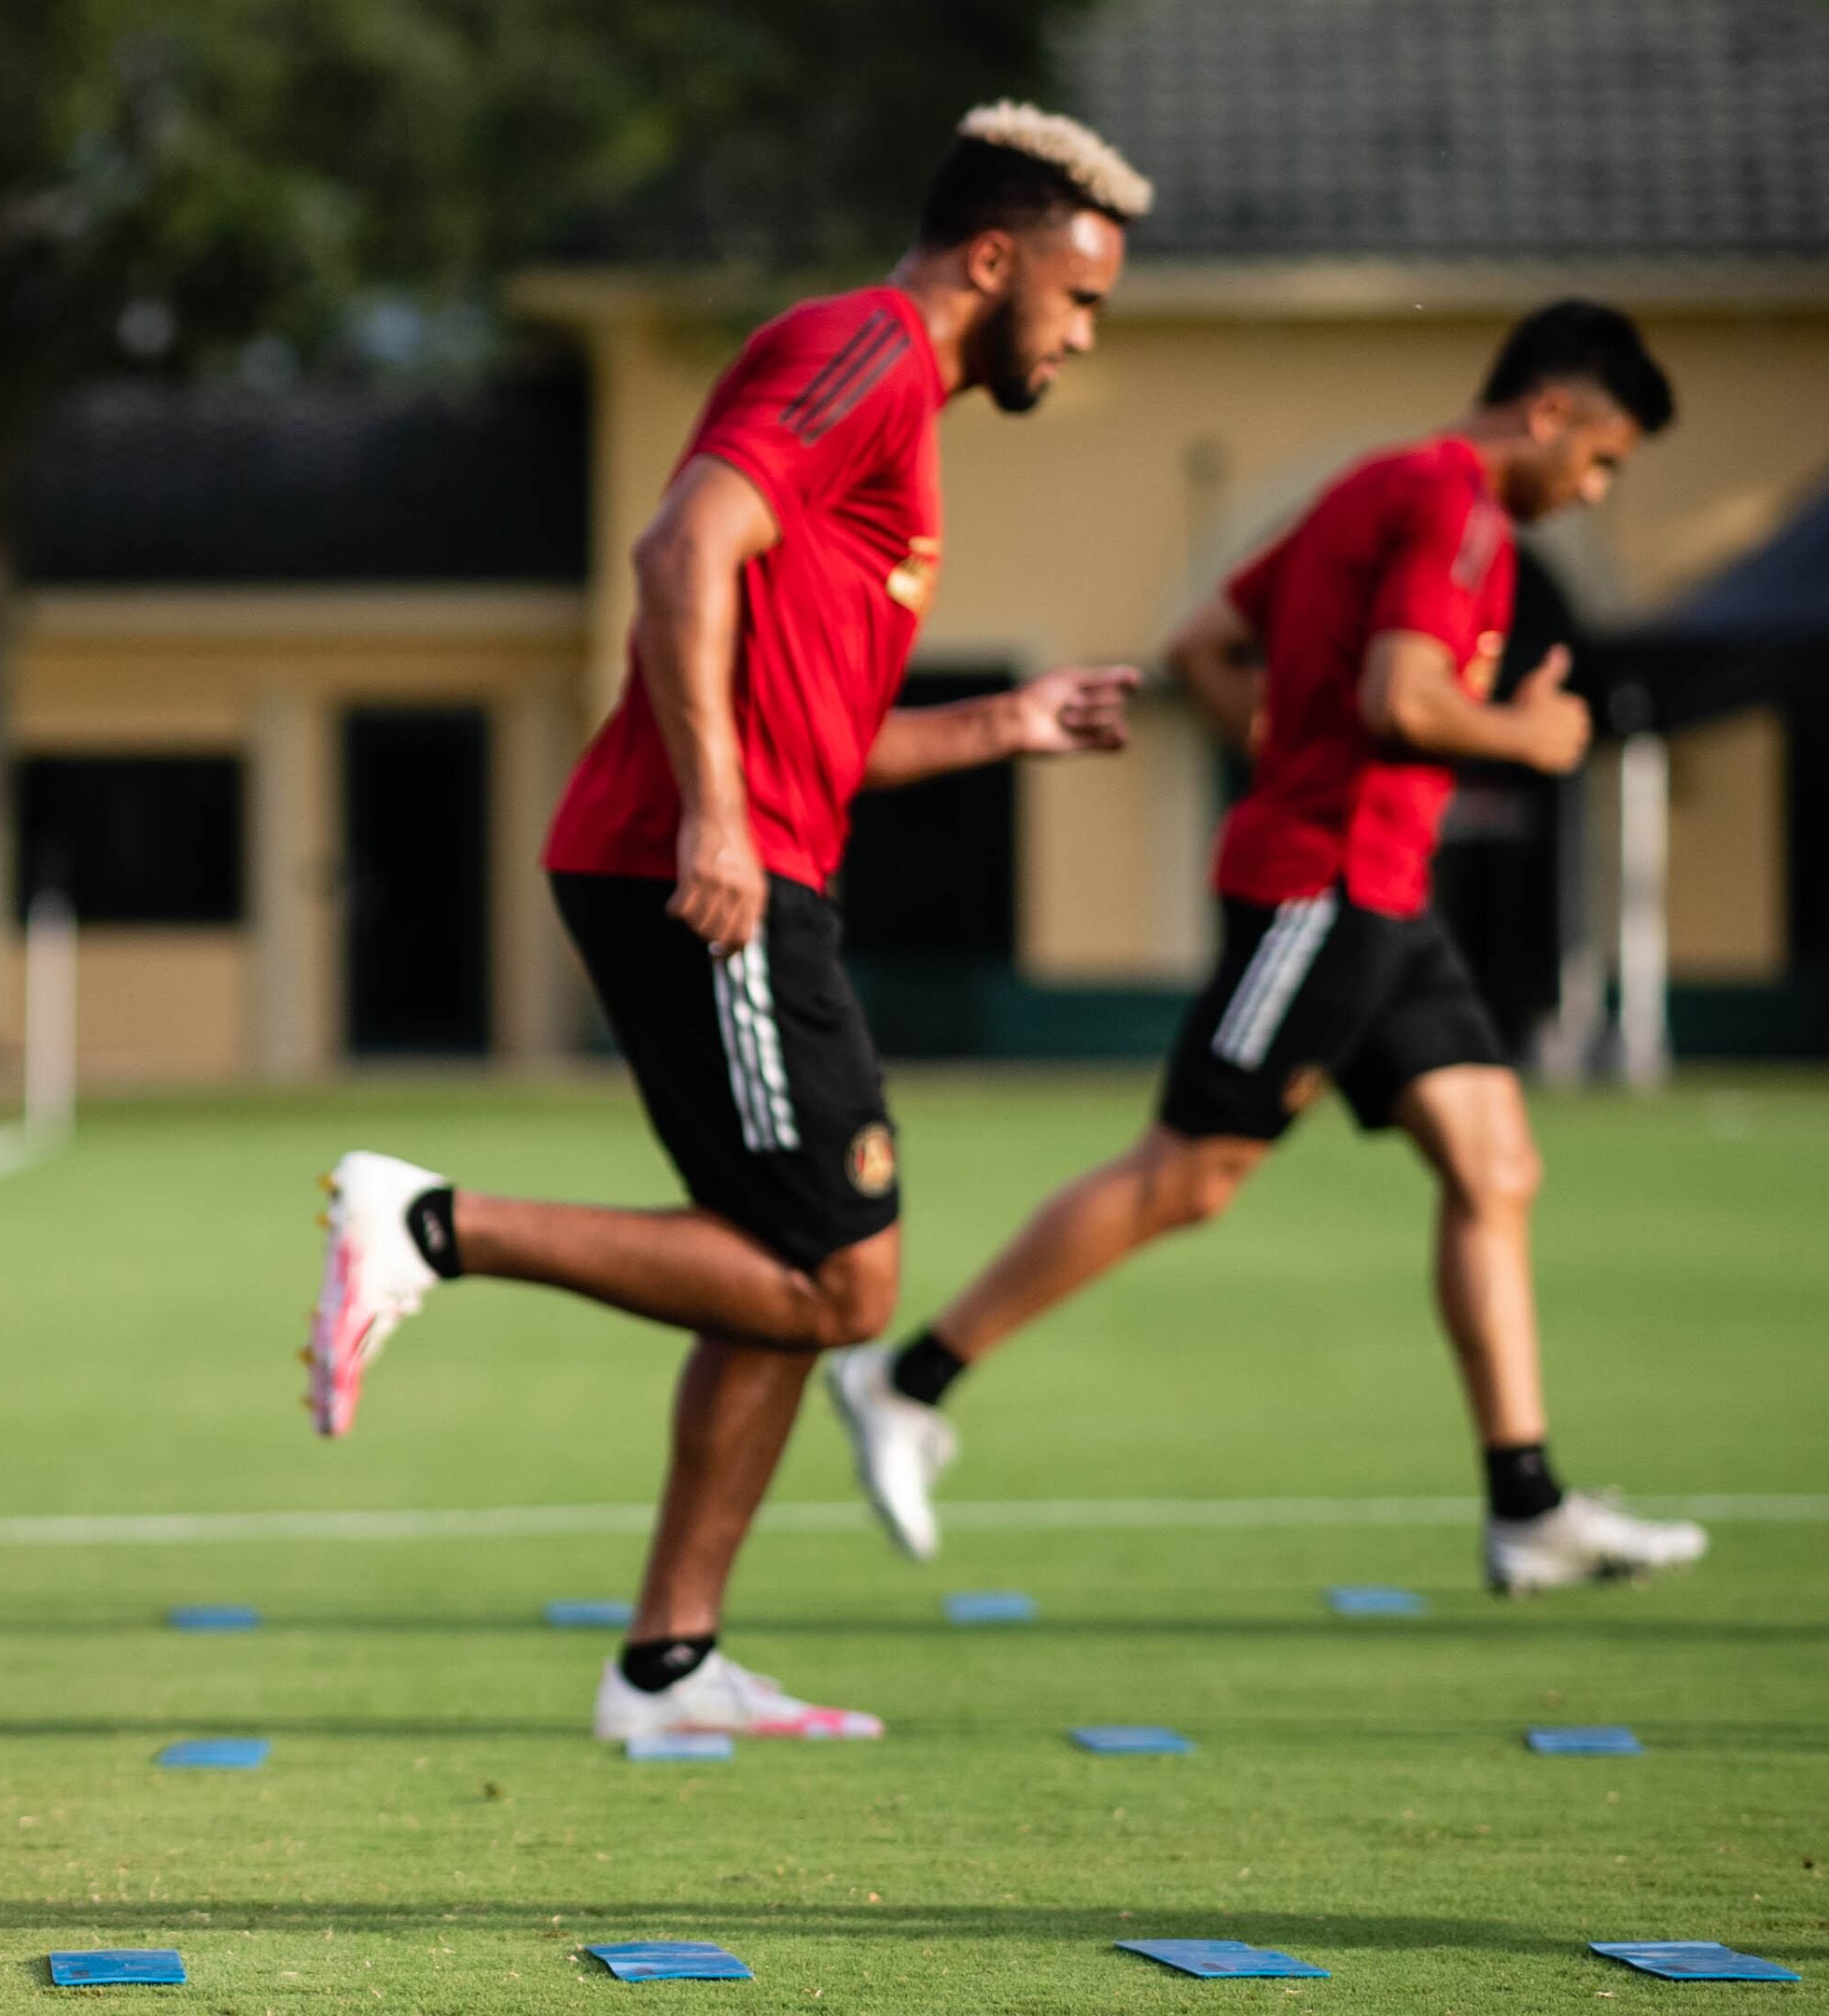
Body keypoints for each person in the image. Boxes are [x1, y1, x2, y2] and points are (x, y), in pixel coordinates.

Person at [302, 104, 1149, 1743]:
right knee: (844, 1278)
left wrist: (1008, 725)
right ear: (997, 259)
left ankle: (668, 1668)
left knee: (771, 1264)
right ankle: (424, 1226)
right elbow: (683, 542)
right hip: (702, 868)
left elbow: (825, 737)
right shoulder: (870, 352)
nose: (1086, 329)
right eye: (1083, 295)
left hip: (734, 855)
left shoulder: (905, 414)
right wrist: (713, 811)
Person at [831, 301, 1710, 1598]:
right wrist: (1529, 739)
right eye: (1602, 461)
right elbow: (1399, 701)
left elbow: (1204, 646)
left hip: (1385, 897)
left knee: (1494, 1162)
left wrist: (1297, 755)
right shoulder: (1454, 506)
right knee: (1190, 1176)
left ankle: (1527, 1505)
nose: (1591, 491)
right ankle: (905, 1381)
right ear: (1551, 411)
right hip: (1326, 888)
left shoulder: (1376, 484)